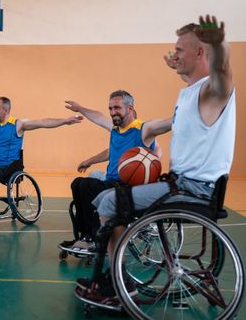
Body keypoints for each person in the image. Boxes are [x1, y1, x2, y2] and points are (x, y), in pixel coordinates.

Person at [82, 15, 236, 299]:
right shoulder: (190, 92)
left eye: (180, 49)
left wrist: (220, 45)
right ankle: (116, 274)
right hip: (181, 183)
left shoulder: (210, 92)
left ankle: (118, 282)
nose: (173, 54)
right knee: (107, 198)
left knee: (111, 201)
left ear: (200, 52)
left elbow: (224, 78)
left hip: (196, 189)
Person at [60, 91, 167, 254]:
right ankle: (85, 236)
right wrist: (80, 108)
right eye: (110, 108)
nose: (112, 112)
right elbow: (98, 117)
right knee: (77, 183)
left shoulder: (143, 129)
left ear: (130, 109)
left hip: (128, 186)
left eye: (117, 107)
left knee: (88, 185)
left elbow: (163, 125)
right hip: (111, 182)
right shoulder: (116, 130)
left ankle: (94, 239)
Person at [0, 96, 83, 218]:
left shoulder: (18, 124)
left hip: (7, 168)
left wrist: (65, 121)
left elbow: (43, 122)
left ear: (5, 110)